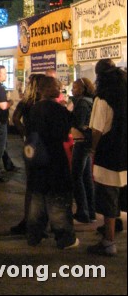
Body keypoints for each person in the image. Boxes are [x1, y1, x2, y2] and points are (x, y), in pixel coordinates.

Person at [26, 76, 78, 250]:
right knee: (57, 199)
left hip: (36, 158)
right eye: (57, 85)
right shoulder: (57, 109)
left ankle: (34, 234)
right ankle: (64, 237)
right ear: (48, 89)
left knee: (38, 198)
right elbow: (63, 133)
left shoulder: (34, 108)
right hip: (54, 157)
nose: (60, 88)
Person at [87, 60, 127, 257]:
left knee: (108, 197)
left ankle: (108, 241)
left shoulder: (103, 98)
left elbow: (97, 129)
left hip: (110, 153)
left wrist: (92, 149)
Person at [11, 73, 44, 235]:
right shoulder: (44, 102)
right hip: (45, 144)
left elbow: (15, 118)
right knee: (43, 184)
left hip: (30, 143)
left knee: (31, 184)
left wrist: (24, 133)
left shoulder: (26, 102)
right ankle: (40, 222)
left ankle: (28, 220)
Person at [70, 78, 96, 224]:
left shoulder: (81, 103)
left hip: (81, 142)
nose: (73, 90)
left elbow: (79, 123)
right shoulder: (91, 101)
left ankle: (82, 212)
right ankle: (90, 211)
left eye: (75, 87)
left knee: (76, 177)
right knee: (86, 178)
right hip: (87, 143)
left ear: (82, 88)